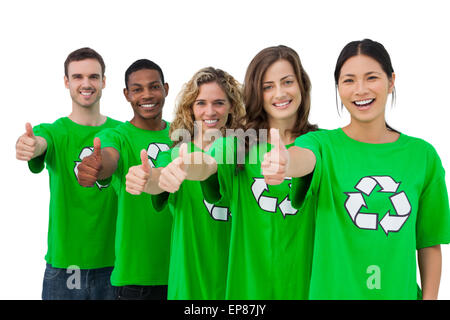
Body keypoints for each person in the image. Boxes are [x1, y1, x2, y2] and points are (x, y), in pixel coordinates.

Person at [262, 39, 450, 300]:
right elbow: (304, 158)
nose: (360, 90)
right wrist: (285, 162)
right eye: (348, 80)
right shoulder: (322, 145)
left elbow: (429, 242)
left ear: (391, 81)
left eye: (371, 77)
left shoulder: (423, 156)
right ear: (338, 87)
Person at [157, 46, 318, 299]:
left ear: (302, 85)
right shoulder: (237, 143)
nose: (279, 93)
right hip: (248, 293)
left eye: (287, 82)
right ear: (256, 92)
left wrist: (289, 162)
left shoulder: (322, 145)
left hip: (307, 287)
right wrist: (189, 163)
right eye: (267, 86)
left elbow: (309, 162)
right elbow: (210, 164)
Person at [125, 67, 245, 299]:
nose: (209, 111)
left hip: (233, 281)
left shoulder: (238, 148)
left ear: (231, 106)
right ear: (190, 107)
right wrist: (146, 178)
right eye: (201, 103)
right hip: (187, 282)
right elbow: (158, 178)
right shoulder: (174, 152)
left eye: (219, 103)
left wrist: (192, 165)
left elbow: (208, 163)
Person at [15, 47, 121, 300]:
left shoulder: (121, 133)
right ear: (66, 82)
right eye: (78, 77)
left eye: (93, 76)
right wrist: (30, 145)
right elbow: (40, 142)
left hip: (116, 266)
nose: (86, 83)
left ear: (104, 81)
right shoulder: (54, 131)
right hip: (65, 268)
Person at [76, 59, 173, 300]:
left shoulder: (183, 135)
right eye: (137, 89)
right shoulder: (116, 135)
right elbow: (109, 157)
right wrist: (97, 167)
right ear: (127, 94)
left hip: (184, 273)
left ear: (166, 89)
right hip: (135, 282)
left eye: (154, 86)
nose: (147, 95)